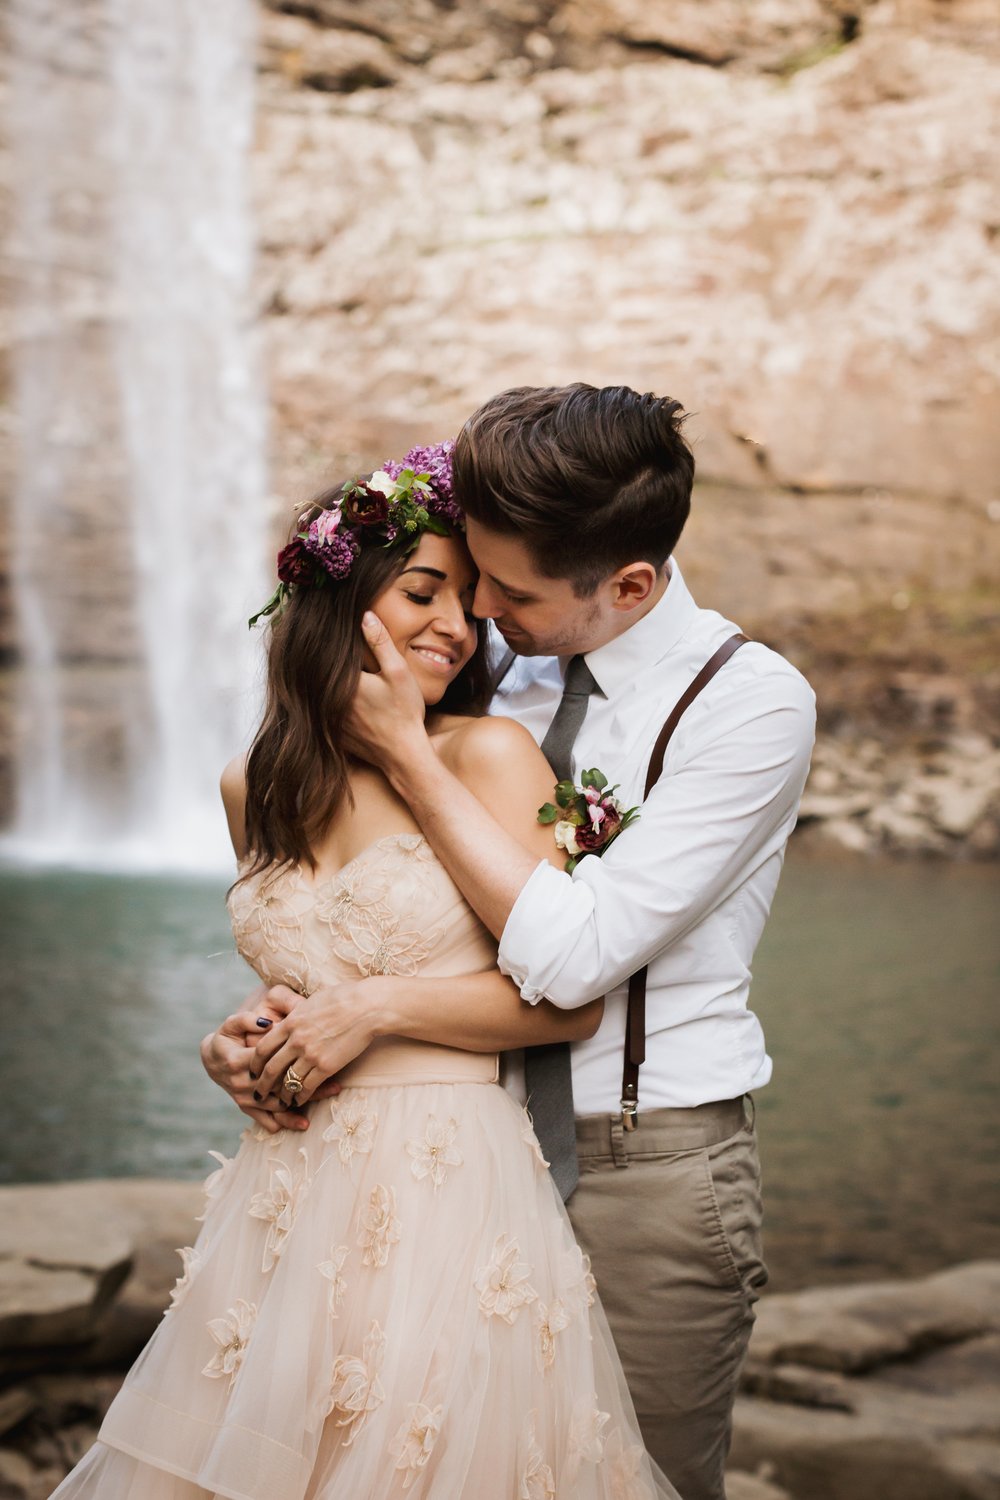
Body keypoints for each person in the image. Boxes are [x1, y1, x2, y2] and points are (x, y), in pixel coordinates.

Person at [204, 385, 817, 1500]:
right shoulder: (478, 665)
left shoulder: (748, 706)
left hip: (638, 1165)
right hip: (421, 1164)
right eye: (466, 576)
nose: (479, 609)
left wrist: (414, 761)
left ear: (627, 584)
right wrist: (265, 1031)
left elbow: (576, 962)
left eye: (511, 589)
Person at [51, 444, 677, 1500]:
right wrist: (240, 1041)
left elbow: (564, 1006)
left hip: (447, 1181)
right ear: (339, 603)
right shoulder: (251, 784)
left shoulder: (486, 756)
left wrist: (375, 1013)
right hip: (285, 1189)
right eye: (422, 592)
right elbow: (310, 973)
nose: (456, 624)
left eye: (468, 605)